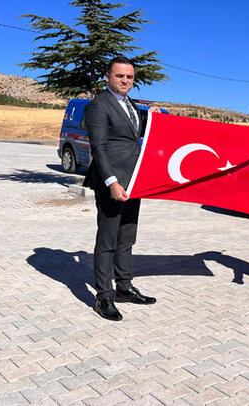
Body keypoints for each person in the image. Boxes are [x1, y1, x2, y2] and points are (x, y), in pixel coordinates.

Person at [83, 56, 158, 321]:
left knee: (127, 237)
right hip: (111, 183)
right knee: (107, 240)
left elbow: (132, 135)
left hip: (133, 181)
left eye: (129, 77)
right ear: (108, 77)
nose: (125, 81)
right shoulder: (98, 106)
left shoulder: (131, 105)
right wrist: (111, 182)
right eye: (119, 76)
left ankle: (124, 287)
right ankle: (104, 296)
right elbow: (99, 148)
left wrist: (153, 119)